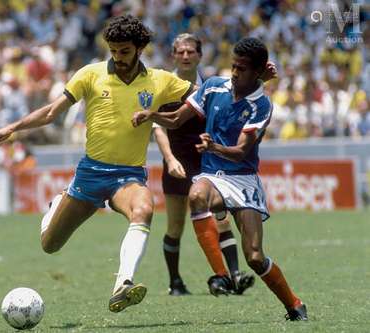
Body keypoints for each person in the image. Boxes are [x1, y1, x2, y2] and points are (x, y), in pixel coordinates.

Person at [0, 15, 194, 313]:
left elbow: (202, 95)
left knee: (144, 208)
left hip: (129, 176)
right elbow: (50, 113)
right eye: (113, 51)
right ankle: (57, 203)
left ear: (139, 48)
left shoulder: (160, 80)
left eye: (124, 51)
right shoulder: (90, 74)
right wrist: (12, 128)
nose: (118, 57)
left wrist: (247, 86)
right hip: (91, 174)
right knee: (50, 244)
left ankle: (123, 283)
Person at [132, 37, 307, 321]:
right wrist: (151, 115)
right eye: (233, 66)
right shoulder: (213, 86)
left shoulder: (261, 105)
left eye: (242, 69)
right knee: (197, 195)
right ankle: (222, 275)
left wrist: (212, 146)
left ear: (257, 72)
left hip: (243, 179)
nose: (235, 73)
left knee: (255, 256)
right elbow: (176, 118)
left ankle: (295, 304)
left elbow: (240, 152)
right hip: (212, 174)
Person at [152, 33, 254, 296]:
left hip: (206, 163)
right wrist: (170, 159)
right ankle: (175, 282)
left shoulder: (213, 85)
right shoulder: (162, 86)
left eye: (190, 51)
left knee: (221, 219)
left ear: (199, 55)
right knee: (175, 227)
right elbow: (159, 129)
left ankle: (234, 276)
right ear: (173, 55)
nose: (185, 56)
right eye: (180, 52)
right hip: (176, 164)